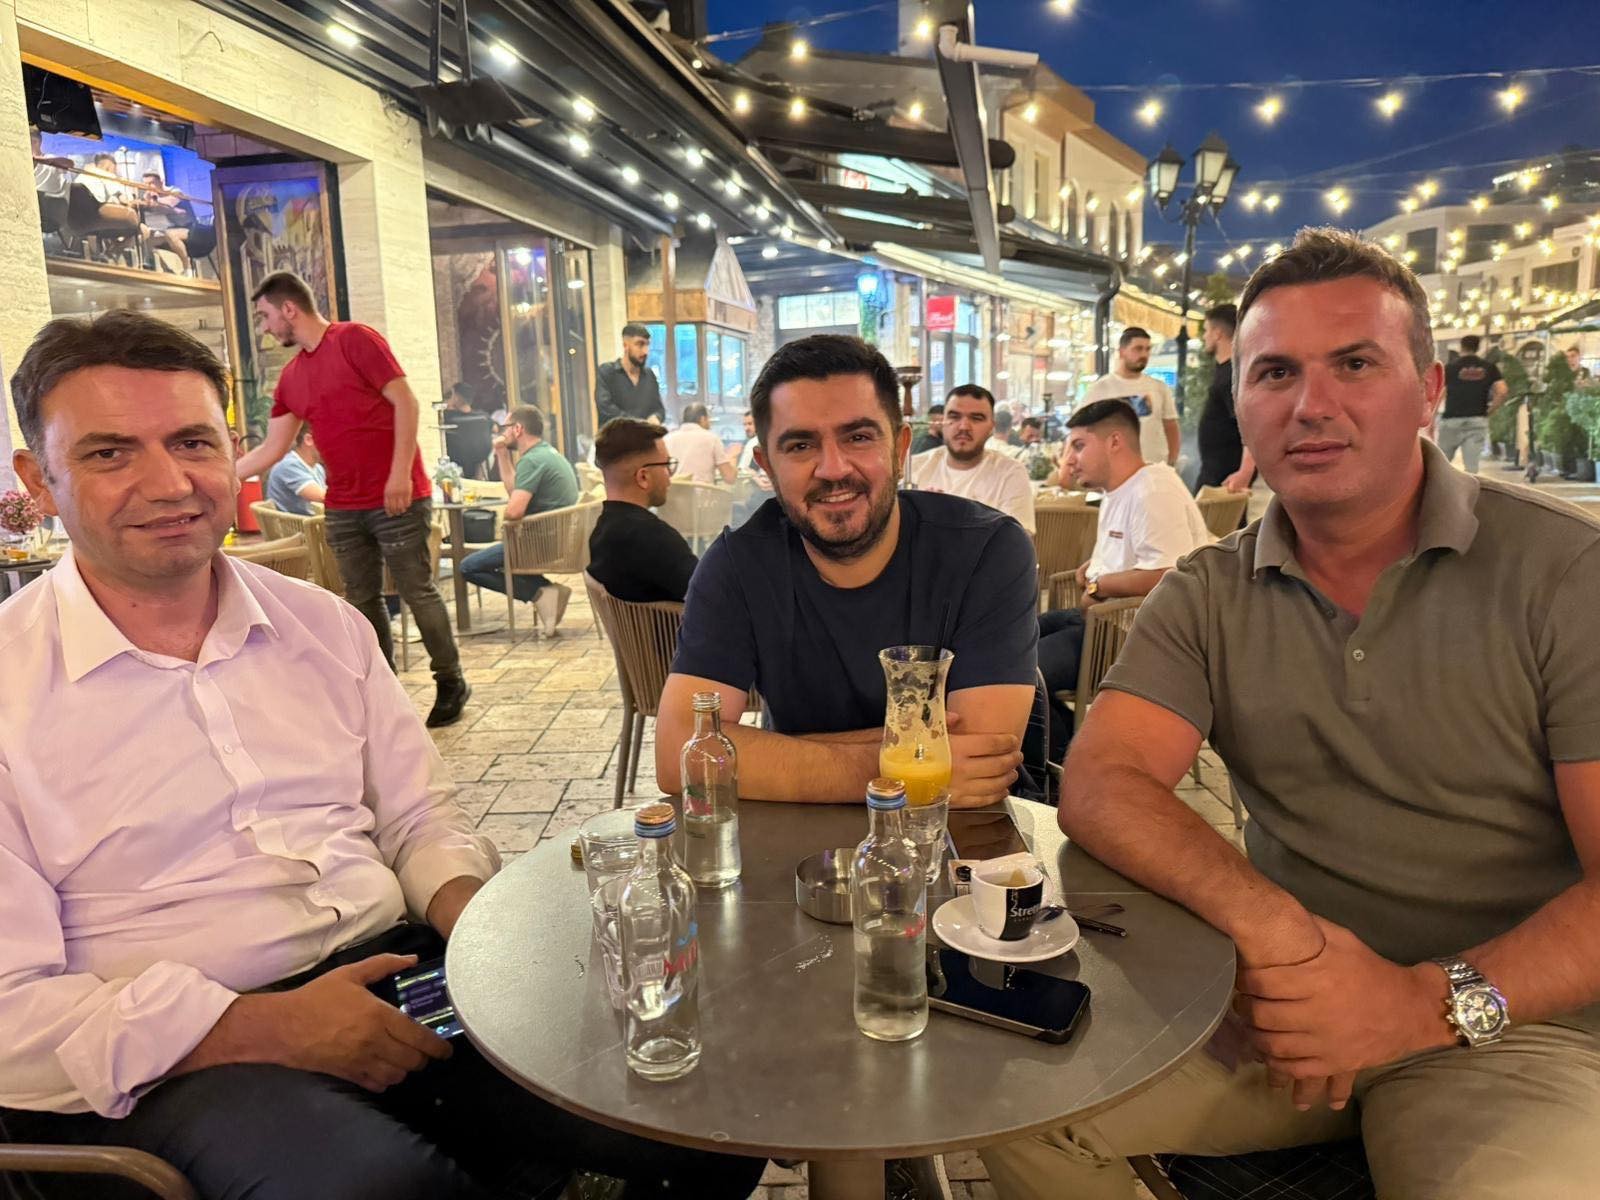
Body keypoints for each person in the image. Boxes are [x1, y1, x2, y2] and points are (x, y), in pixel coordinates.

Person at [0, 310, 765, 1200]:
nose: (168, 483)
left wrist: (482, 926)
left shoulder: (320, 627)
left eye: (192, 442)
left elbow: (416, 819)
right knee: (385, 1188)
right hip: (177, 1057)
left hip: (395, 973)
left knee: (707, 1099)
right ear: (38, 480)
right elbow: (12, 1010)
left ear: (234, 451)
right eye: (109, 453)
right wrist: (259, 1026)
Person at [981, 228, 1600, 1200]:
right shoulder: (1208, 591)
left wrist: (1417, 1002)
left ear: (1429, 390)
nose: (1311, 404)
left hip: (1508, 1028)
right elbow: (1102, 782)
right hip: (1281, 1009)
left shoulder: (1564, 573)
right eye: (1274, 372)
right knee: (1011, 1102)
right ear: (1241, 405)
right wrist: (1273, 935)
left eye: (1354, 363)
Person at [655, 335, 1036, 807]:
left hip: (959, 838)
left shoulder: (988, 550)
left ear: (899, 448)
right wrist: (894, 765)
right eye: (800, 445)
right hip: (800, 840)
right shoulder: (738, 565)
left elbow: (981, 759)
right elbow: (679, 755)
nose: (833, 469)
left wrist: (777, 754)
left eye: (858, 437)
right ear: (767, 466)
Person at [235, 272, 469, 727]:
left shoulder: (355, 340)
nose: (264, 328)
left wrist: (399, 475)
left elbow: (406, 403)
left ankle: (450, 680)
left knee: (417, 590)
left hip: (396, 497)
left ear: (289, 309)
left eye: (264, 316)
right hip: (343, 505)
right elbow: (273, 448)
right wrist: (224, 476)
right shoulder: (292, 377)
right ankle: (383, 691)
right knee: (361, 599)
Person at [1035, 398, 1210, 757]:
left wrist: (1099, 585)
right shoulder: (1119, 489)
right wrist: (1093, 568)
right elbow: (1133, 554)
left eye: (1079, 446)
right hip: (1098, 621)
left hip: (1130, 637)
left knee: (1021, 674)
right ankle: (1071, 750)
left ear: (1114, 441)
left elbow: (1166, 574)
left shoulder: (1153, 490)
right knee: (1007, 645)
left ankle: (1067, 768)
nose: (1070, 459)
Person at [459, 405, 580, 635]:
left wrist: (505, 522)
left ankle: (542, 591)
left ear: (518, 429)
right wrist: (502, 454)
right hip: (555, 539)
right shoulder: (545, 453)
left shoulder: (532, 460)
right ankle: (545, 590)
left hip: (538, 543)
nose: (501, 432)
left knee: (468, 567)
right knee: (501, 555)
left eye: (505, 427)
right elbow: (515, 491)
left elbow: (514, 512)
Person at [587, 418, 698, 603]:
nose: (670, 476)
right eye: (666, 465)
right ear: (643, 477)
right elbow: (715, 599)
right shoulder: (656, 540)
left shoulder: (601, 532)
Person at [910, 384, 1036, 534]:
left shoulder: (1010, 473)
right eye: (954, 417)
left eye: (976, 418)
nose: (963, 427)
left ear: (991, 427)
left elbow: (1016, 542)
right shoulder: (915, 467)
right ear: (943, 422)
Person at [1079, 326, 1180, 467]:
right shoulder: (1100, 389)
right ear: (1122, 352)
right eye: (1138, 349)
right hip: (1115, 468)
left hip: (1154, 466)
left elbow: (1170, 426)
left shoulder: (1159, 388)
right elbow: (1081, 429)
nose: (1144, 354)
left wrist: (1172, 461)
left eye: (1147, 349)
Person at [1195, 303, 1255, 492]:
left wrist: (1245, 472)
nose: (1204, 336)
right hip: (1217, 472)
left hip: (1225, 478)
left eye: (1206, 330)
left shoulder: (1232, 374)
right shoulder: (1226, 370)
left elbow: (1250, 423)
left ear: (1217, 333)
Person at [1437, 334, 1507, 474]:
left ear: (1461, 347)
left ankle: (1439, 488)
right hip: (1477, 419)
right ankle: (1470, 488)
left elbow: (1439, 393)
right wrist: (1490, 410)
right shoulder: (1489, 367)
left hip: (1452, 419)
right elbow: (1502, 391)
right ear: (1478, 347)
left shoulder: (1450, 367)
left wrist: (1432, 416)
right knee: (1471, 468)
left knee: (1440, 466)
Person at [594, 322, 665, 425]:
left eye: (647, 345)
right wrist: (640, 424)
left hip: (644, 434)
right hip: (615, 434)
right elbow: (606, 409)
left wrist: (656, 417)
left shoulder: (650, 376)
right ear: (625, 345)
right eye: (640, 344)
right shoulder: (607, 372)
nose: (645, 351)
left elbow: (659, 409)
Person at [663, 402, 736, 484]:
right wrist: (733, 456)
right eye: (708, 419)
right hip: (702, 491)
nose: (710, 423)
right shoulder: (712, 439)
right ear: (702, 419)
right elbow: (730, 478)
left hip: (673, 491)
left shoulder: (667, 439)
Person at [265, 425, 326, 516]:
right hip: (293, 525)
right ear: (308, 440)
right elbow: (321, 497)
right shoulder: (289, 465)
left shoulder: (317, 468)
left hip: (310, 522)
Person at [441, 381, 493, 479]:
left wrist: (447, 406)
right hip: (479, 458)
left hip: (456, 460)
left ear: (455, 396)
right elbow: (495, 429)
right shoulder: (483, 417)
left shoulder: (447, 417)